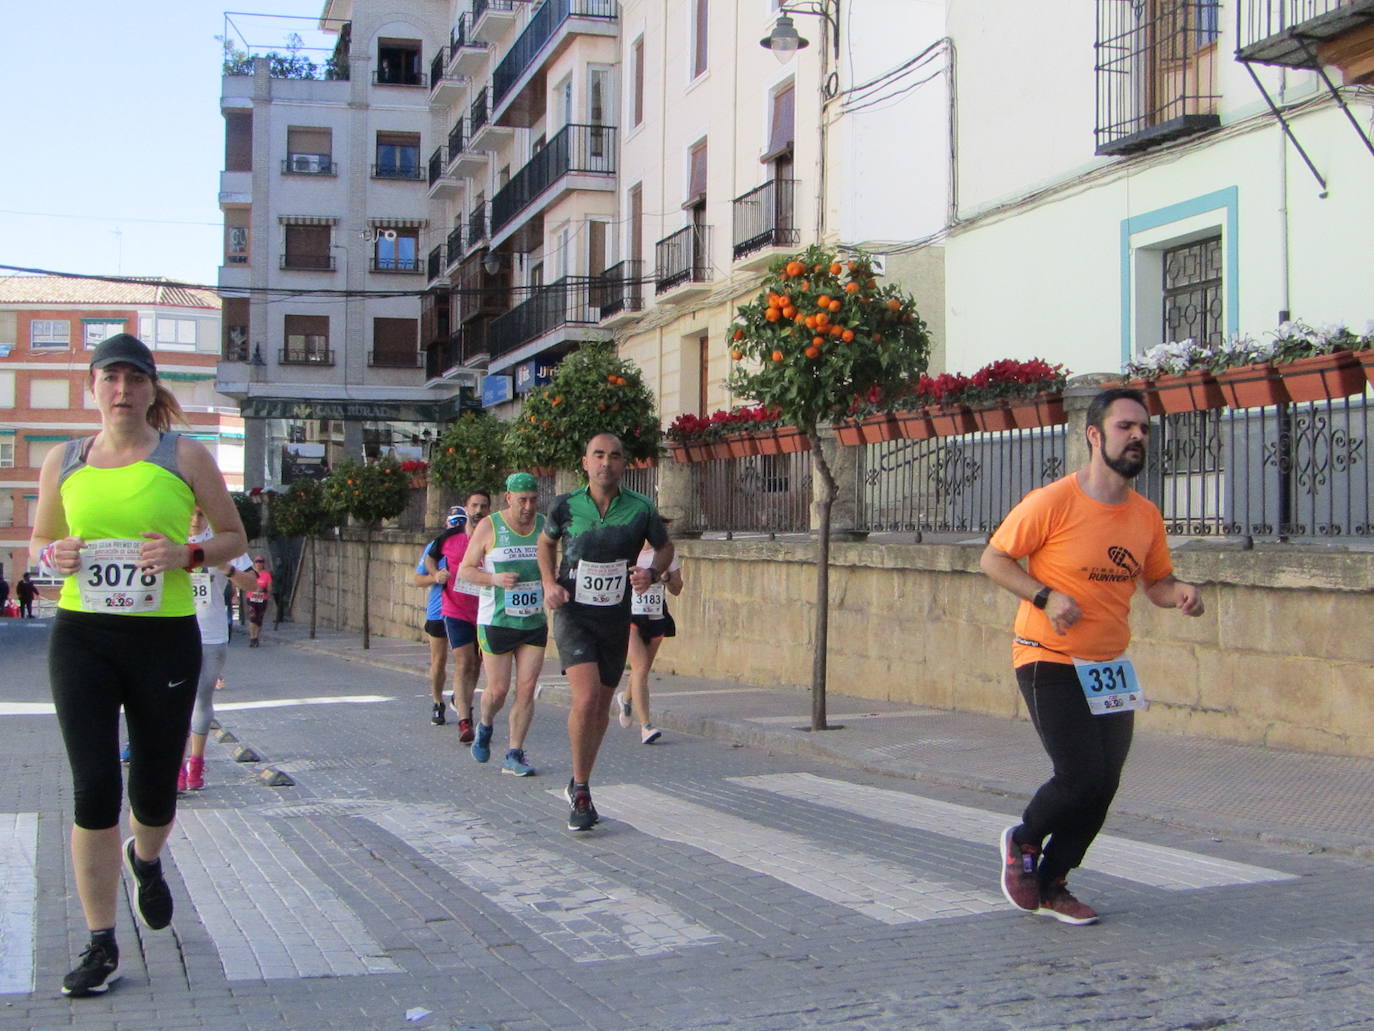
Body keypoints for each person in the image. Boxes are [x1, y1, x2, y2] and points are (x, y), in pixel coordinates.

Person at [29, 333, 247, 997]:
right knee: (94, 785)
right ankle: (101, 941)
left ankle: (145, 858)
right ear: (92, 388)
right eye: (110, 378)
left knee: (152, 789)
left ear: (152, 388)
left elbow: (234, 537)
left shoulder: (184, 454)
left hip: (163, 638)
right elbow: (39, 540)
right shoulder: (62, 461)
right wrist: (54, 556)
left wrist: (187, 556)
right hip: (83, 636)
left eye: (134, 378)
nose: (121, 390)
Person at [980, 386, 1204, 926]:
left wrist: (1180, 595)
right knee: (1079, 775)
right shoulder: (1052, 502)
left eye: (1144, 430)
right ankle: (1024, 839)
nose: (1137, 437)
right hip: (1047, 656)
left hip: (1108, 666)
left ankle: (1055, 882)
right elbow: (994, 558)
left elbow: (1155, 583)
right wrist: (1045, 596)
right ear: (1094, 434)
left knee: (1105, 783)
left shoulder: (1145, 516)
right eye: (1126, 427)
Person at [539, 434, 672, 831]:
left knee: (600, 702)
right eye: (598, 455)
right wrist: (549, 584)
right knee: (584, 698)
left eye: (614, 457)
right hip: (573, 612)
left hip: (615, 614)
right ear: (585, 462)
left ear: (623, 464)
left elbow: (664, 548)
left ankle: (580, 778)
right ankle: (581, 791)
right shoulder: (565, 505)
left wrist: (651, 572)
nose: (606, 463)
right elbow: (545, 545)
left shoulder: (640, 507)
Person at [458, 473, 547, 776]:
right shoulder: (489, 526)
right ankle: (485, 725)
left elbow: (553, 563)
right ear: (508, 498)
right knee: (497, 691)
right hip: (496, 619)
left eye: (533, 500)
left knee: (527, 688)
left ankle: (514, 753)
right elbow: (465, 571)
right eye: (522, 500)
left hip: (534, 619)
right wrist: (494, 579)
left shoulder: (544, 525)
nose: (528, 506)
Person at [181, 508, 258, 791]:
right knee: (174, 702)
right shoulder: (170, 537)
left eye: (201, 514)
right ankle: (176, 767)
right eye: (189, 513)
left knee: (201, 698)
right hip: (172, 630)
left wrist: (227, 568)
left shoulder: (220, 543)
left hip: (210, 633)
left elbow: (254, 583)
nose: (194, 520)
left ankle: (196, 763)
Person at [425, 491, 492, 739]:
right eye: (474, 505)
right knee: (463, 661)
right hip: (455, 609)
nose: (478, 510)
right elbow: (431, 559)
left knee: (477, 663)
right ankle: (464, 720)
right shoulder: (449, 537)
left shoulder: (495, 537)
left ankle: (464, 702)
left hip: (485, 610)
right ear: (466, 508)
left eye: (483, 506)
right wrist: (436, 575)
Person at [618, 536, 684, 745]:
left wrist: (665, 578)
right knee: (640, 667)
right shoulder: (628, 551)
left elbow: (677, 588)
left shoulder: (666, 554)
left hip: (655, 616)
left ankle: (626, 698)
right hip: (630, 616)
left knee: (642, 670)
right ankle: (646, 726)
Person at [413, 506, 463, 731]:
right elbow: (417, 578)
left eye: (460, 522)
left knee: (467, 661)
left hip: (464, 610)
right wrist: (436, 577)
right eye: (453, 522)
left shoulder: (470, 545)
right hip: (439, 611)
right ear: (446, 524)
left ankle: (459, 697)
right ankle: (437, 702)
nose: (456, 527)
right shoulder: (434, 548)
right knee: (439, 660)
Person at [245, 556, 271, 646]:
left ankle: (256, 637)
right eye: (257, 562)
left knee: (259, 619)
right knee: (252, 618)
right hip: (251, 598)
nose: (259, 563)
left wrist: (262, 589)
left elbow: (269, 588)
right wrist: (254, 589)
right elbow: (245, 585)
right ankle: (252, 638)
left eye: (261, 562)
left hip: (262, 599)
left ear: (263, 563)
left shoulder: (266, 575)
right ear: (254, 563)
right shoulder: (250, 573)